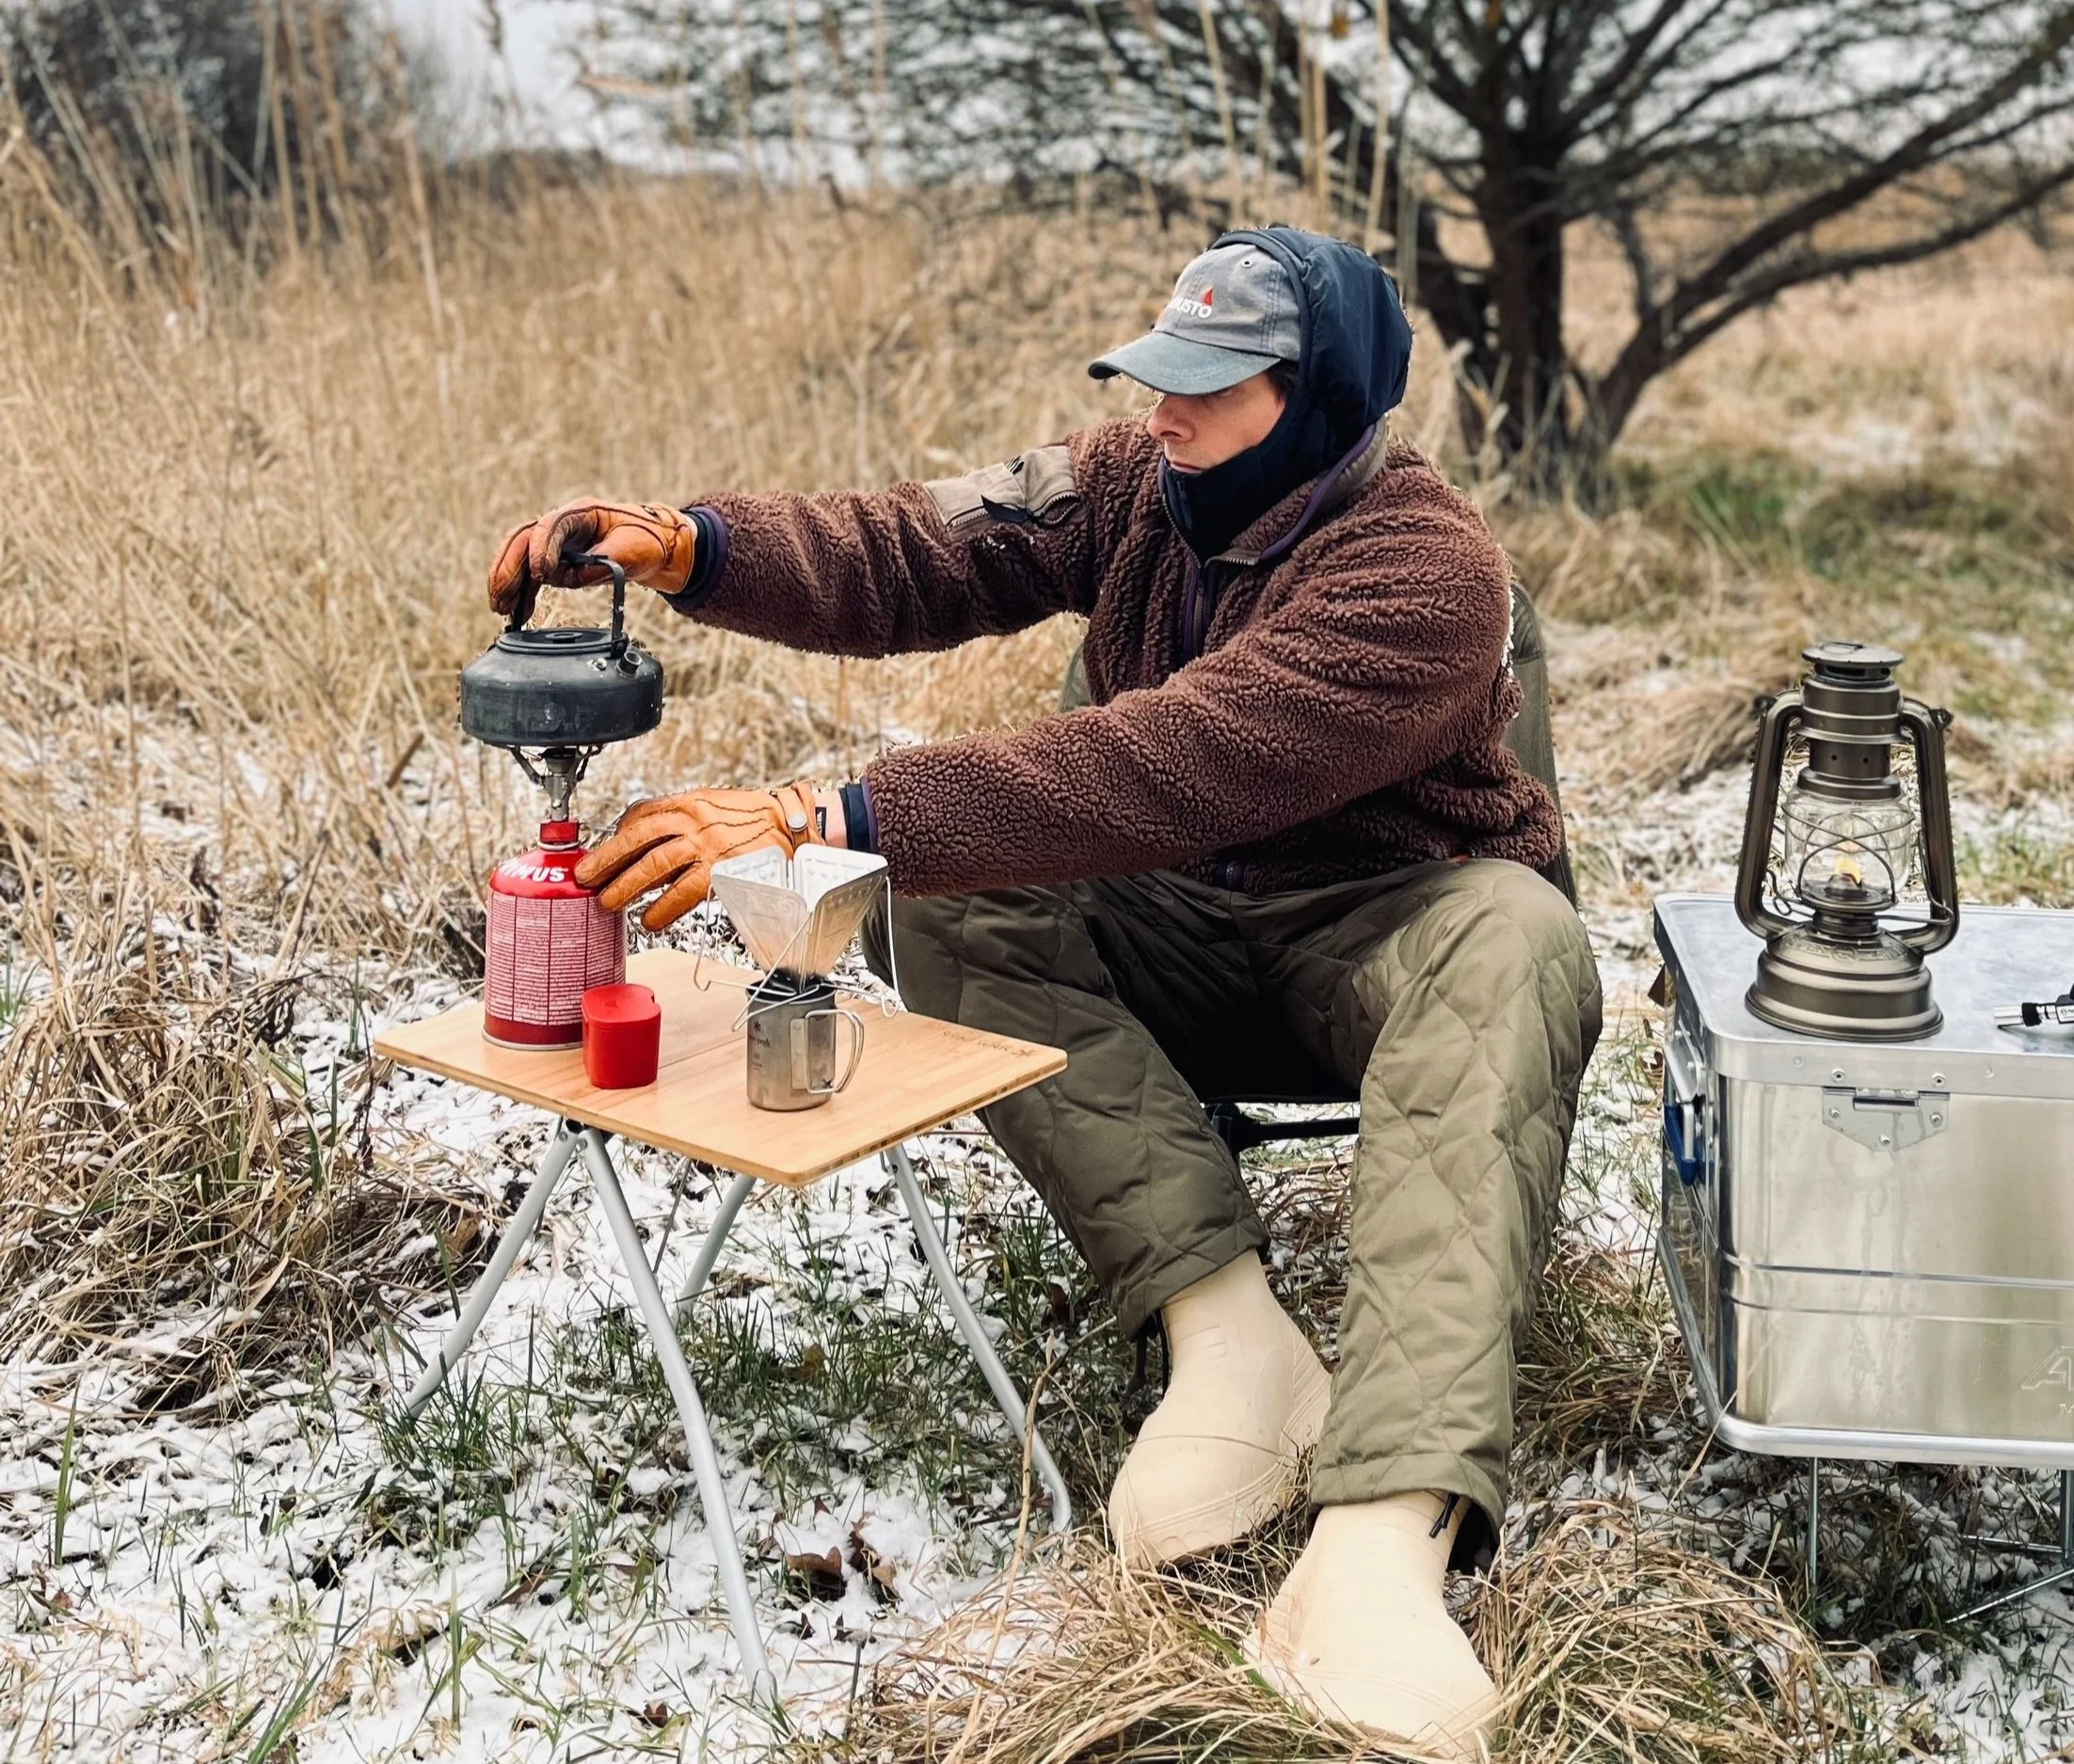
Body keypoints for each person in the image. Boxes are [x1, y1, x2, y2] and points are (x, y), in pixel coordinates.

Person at [487, 227, 1603, 1757]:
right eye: (1159, 377)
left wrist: (822, 811)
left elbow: (1175, 759)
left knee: (1520, 944)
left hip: (1388, 929)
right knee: (957, 883)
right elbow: (920, 546)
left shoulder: (1425, 574)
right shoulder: (1140, 486)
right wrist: (696, 547)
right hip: (1192, 925)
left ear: (1323, 401)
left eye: (1213, 387)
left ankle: (1384, 1534)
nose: (1167, 413)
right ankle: (1228, 1331)